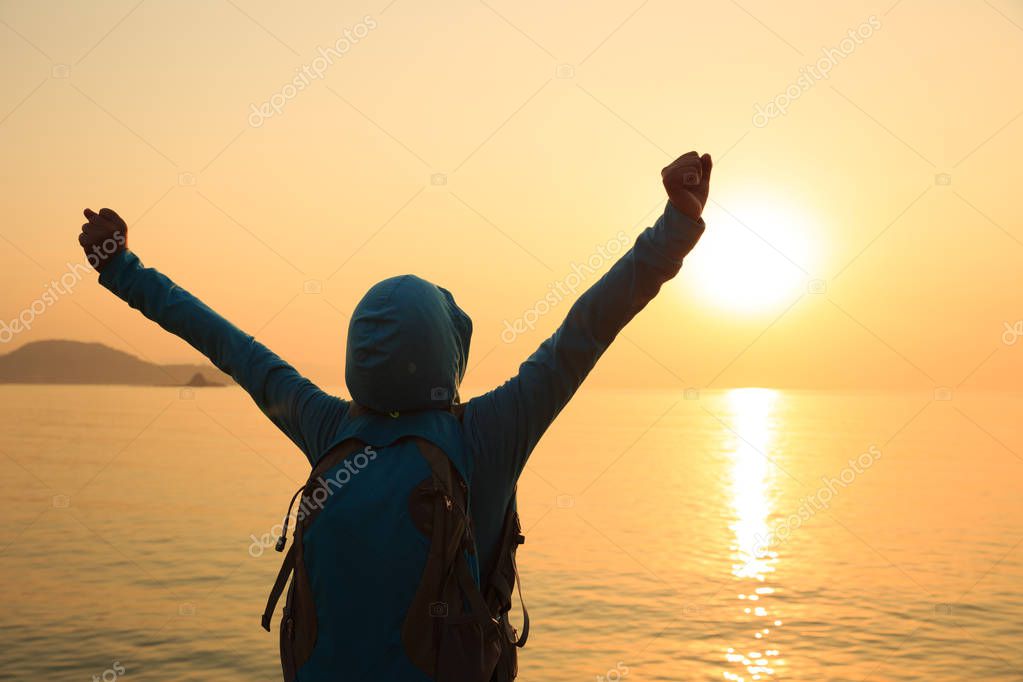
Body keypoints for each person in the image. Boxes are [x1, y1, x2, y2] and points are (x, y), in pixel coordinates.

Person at [78, 150, 712, 680]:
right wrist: (676, 226)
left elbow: (227, 344)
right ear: (448, 351)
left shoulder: (326, 425)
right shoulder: (487, 435)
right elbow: (588, 327)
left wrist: (122, 268)